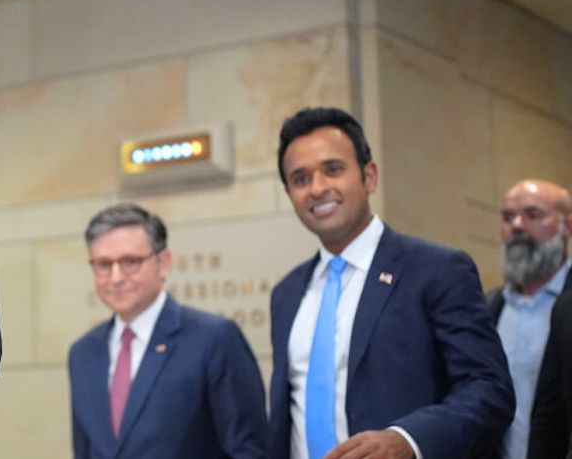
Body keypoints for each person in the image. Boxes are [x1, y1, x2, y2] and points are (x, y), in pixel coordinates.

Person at [268, 107, 514, 459]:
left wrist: (408, 439)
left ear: (369, 177)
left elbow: (489, 390)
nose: (318, 188)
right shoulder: (287, 293)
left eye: (333, 170)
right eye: (300, 179)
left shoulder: (437, 270)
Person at [68, 203, 267, 458]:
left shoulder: (214, 338)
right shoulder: (83, 353)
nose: (115, 277)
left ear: (162, 263)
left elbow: (249, 449)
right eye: (104, 264)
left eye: (130, 262)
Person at [486, 180, 571, 459]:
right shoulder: (486, 309)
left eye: (533, 215)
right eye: (508, 217)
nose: (517, 226)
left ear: (567, 227)